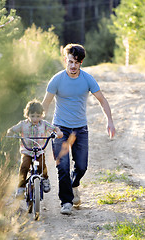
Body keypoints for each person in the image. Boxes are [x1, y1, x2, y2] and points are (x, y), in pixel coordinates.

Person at [42, 44, 116, 215]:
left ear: (81, 62)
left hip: (80, 129)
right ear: (65, 61)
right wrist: (38, 123)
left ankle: (75, 184)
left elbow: (102, 101)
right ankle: (66, 202)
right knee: (63, 166)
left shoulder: (87, 79)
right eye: (70, 62)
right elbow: (45, 104)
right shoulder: (57, 79)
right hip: (60, 129)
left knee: (81, 167)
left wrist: (110, 121)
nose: (73, 66)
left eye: (76, 62)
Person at [6, 99, 63, 198]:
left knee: (42, 165)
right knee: (24, 166)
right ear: (27, 115)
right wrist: (10, 133)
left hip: (40, 150)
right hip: (27, 150)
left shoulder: (44, 124)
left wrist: (58, 132)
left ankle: (45, 179)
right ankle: (21, 187)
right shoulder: (23, 124)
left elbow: (55, 128)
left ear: (42, 115)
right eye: (32, 116)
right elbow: (12, 130)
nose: (35, 119)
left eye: (38, 116)